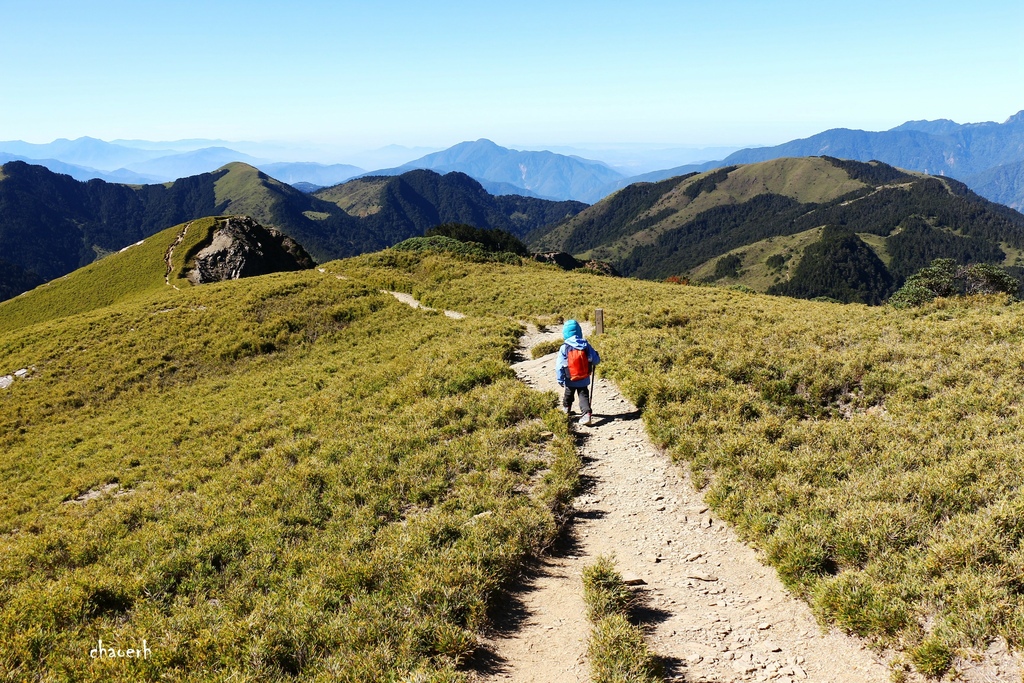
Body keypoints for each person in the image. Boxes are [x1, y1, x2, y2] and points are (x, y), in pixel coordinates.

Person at [556, 319, 600, 426]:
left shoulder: (564, 347)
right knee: (583, 395)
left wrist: (560, 379)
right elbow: (596, 361)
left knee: (568, 393)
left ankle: (566, 409)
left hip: (570, 378)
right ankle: (586, 414)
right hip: (584, 378)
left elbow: (559, 366)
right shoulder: (585, 345)